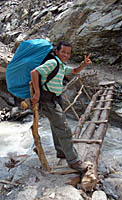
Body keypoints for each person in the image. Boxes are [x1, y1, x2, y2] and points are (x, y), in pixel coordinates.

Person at [30, 41, 92, 173]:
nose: (65, 55)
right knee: (64, 129)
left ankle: (61, 151)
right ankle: (74, 161)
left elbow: (74, 71)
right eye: (63, 52)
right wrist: (37, 93)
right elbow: (34, 73)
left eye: (68, 53)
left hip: (55, 100)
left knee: (56, 126)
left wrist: (84, 64)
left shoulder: (61, 65)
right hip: (48, 101)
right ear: (57, 51)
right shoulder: (53, 63)